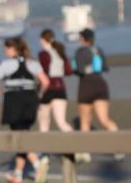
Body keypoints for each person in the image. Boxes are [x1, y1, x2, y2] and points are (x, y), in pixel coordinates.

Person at [0, 37, 50, 183]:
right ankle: (18, 173)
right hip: (30, 102)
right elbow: (45, 82)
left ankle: (37, 164)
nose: (5, 51)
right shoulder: (33, 63)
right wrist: (38, 95)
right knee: (23, 135)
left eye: (7, 48)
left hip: (14, 103)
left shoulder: (6, 64)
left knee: (19, 138)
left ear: (13, 49)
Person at [73, 28, 118, 163]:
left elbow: (79, 69)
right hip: (100, 84)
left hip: (86, 85)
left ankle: (85, 152)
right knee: (104, 119)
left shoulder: (80, 51)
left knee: (85, 122)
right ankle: (119, 147)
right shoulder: (98, 50)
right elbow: (105, 68)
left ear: (82, 38)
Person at [37, 29, 73, 134]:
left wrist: (39, 91)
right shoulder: (60, 52)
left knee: (44, 122)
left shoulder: (43, 54)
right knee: (61, 122)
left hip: (48, 88)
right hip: (60, 87)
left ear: (43, 39)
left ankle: (44, 144)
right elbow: (68, 71)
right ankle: (77, 142)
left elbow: (44, 72)